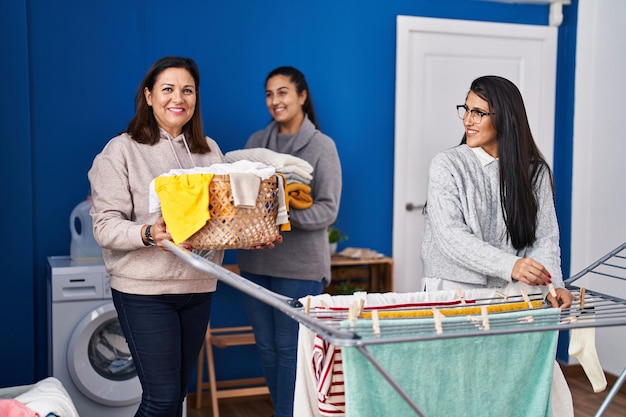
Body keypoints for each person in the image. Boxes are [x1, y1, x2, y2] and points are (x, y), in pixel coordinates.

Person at [421, 75, 574, 416]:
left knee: (503, 393)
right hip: (454, 292)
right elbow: (451, 237)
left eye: (479, 113)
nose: (467, 120)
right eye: (466, 109)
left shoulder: (534, 172)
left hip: (508, 296)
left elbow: (544, 238)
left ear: (504, 117)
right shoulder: (448, 165)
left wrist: (553, 283)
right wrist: (512, 265)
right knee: (454, 393)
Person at [88, 56, 226, 417]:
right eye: (167, 89)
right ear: (148, 96)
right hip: (144, 292)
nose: (177, 98)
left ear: (196, 98)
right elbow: (104, 225)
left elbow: (224, 219)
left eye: (187, 90)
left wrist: (250, 236)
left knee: (176, 397)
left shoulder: (209, 151)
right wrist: (150, 233)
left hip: (198, 288)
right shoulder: (121, 150)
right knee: (161, 399)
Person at [237, 66, 342, 417]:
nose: (275, 101)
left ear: (301, 96)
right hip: (255, 264)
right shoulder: (255, 144)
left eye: (282, 92)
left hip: (300, 268)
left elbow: (327, 210)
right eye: (269, 94)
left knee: (290, 350)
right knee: (267, 349)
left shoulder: (322, 146)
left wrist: (281, 218)